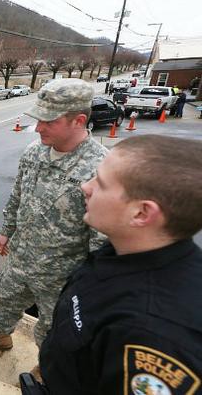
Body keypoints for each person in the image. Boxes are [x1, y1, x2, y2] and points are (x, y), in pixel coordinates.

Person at [39, 135, 202, 394]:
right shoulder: (124, 249)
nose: (85, 187)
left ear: (141, 213)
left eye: (101, 184)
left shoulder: (153, 336)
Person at [0, 79, 107, 375]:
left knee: (53, 325)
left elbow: (102, 239)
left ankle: (47, 367)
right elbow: (18, 194)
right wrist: (7, 230)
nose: (39, 127)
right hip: (23, 256)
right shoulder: (34, 152)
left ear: (78, 121)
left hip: (61, 273)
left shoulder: (101, 169)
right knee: (4, 300)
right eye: (38, 119)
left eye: (48, 121)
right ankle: (1, 335)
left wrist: (90, 285)